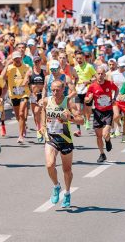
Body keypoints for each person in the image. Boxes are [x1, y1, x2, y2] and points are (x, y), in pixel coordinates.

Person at [40, 80, 84, 208]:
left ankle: (67, 193)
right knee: (49, 165)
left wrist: (70, 118)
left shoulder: (69, 103)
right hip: (51, 138)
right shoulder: (47, 101)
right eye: (53, 90)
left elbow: (81, 120)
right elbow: (43, 110)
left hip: (65, 139)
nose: (55, 92)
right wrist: (43, 125)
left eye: (57, 90)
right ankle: (56, 186)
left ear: (63, 90)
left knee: (67, 170)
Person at [85, 67, 118, 162]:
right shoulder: (92, 86)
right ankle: (102, 154)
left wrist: (114, 98)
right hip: (97, 112)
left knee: (105, 134)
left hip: (108, 112)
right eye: (98, 74)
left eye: (102, 74)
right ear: (95, 75)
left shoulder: (109, 84)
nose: (100, 75)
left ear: (105, 75)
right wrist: (89, 98)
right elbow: (86, 99)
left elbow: (117, 89)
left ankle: (107, 140)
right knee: (98, 136)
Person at [1, 51, 31, 144]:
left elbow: (30, 76)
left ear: (21, 58)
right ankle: (23, 126)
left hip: (24, 93)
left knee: (22, 113)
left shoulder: (26, 67)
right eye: (15, 59)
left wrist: (27, 80)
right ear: (13, 60)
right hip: (13, 95)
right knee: (18, 116)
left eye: (19, 58)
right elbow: (1, 77)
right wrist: (6, 65)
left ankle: (21, 135)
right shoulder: (10, 68)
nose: (17, 60)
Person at [24, 55, 46, 143]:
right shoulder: (30, 72)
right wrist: (25, 82)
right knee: (35, 114)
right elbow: (24, 82)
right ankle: (39, 128)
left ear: (41, 62)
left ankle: (41, 129)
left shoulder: (44, 72)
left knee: (40, 112)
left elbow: (47, 81)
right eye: (35, 62)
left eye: (38, 62)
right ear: (33, 63)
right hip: (33, 95)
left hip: (42, 95)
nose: (37, 63)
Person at [74, 52, 96, 135]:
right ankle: (78, 130)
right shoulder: (75, 68)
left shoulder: (89, 66)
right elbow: (74, 79)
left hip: (87, 90)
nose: (79, 60)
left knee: (88, 109)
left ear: (84, 58)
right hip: (78, 90)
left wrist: (89, 81)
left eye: (80, 58)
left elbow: (95, 77)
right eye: (77, 58)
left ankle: (87, 120)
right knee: (78, 110)